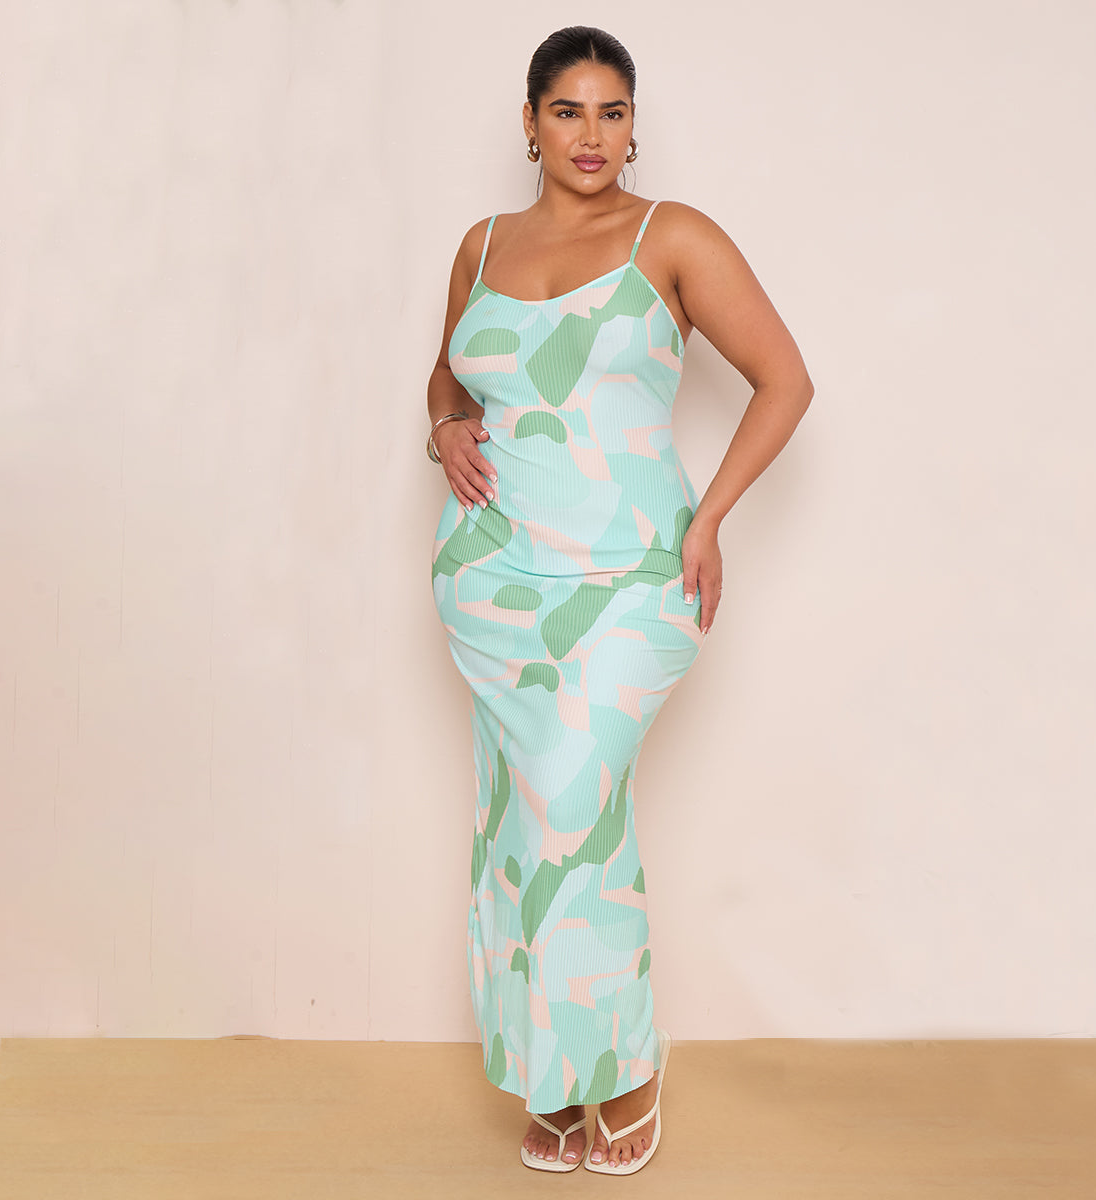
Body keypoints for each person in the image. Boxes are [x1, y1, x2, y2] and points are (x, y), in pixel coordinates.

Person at [427, 26, 813, 1176]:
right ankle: (554, 1079)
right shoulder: (481, 244)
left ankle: (627, 1072)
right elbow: (450, 369)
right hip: (494, 576)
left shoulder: (672, 236)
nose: (590, 135)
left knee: (571, 808)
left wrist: (709, 517)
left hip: (634, 576)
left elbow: (785, 381)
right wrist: (445, 424)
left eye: (611, 112)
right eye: (567, 111)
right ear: (530, 124)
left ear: (633, 126)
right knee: (522, 825)